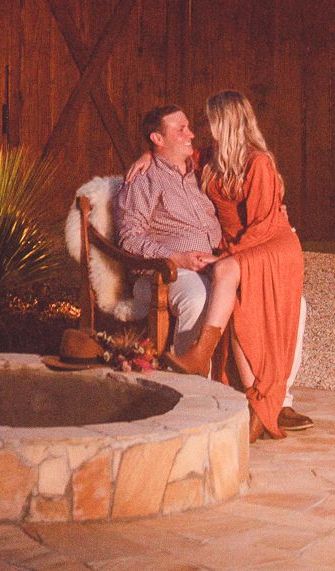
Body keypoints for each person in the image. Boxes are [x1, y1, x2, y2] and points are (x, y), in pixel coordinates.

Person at [201, 90, 309, 439]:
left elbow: (263, 224)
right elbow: (171, 156)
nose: (205, 127)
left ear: (226, 123)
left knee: (226, 271)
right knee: (237, 308)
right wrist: (145, 154)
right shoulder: (208, 159)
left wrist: (227, 253)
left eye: (210, 120)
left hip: (270, 243)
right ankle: (256, 401)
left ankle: (201, 354)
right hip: (241, 246)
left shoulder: (258, 162)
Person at [110, 105, 240, 380]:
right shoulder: (144, 178)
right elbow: (129, 239)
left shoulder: (201, 171)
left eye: (188, 127)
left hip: (216, 264)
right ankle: (190, 386)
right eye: (180, 130)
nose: (190, 134)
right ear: (157, 139)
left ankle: (249, 388)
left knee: (262, 293)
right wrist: (176, 258)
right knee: (199, 297)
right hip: (164, 273)